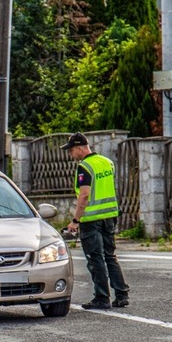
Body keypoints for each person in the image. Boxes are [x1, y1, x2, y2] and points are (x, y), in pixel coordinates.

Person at [61, 133, 129, 310]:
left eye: (71, 150)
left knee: (95, 258)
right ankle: (122, 295)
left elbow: (84, 195)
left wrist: (75, 221)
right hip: (110, 216)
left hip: (91, 220)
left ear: (80, 148)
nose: (70, 154)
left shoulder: (85, 166)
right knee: (110, 256)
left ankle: (102, 298)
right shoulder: (107, 162)